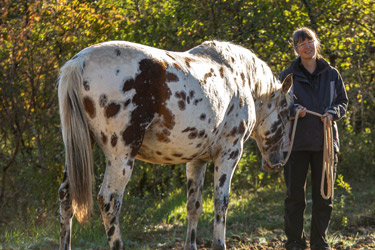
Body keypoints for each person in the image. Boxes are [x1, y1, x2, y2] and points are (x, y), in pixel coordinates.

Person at [279, 27, 349, 250]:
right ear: (296, 49)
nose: (307, 47)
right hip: (295, 145)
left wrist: (332, 113)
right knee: (294, 198)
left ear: (316, 43)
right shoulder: (286, 76)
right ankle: (294, 243)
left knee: (324, 198)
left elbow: (342, 102)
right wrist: (293, 112)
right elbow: (278, 107)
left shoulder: (331, 74)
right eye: (301, 44)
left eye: (310, 41)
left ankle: (319, 243)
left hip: (325, 145)